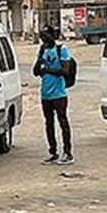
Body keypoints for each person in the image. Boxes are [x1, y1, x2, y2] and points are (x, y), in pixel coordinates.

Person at [33, 26, 73, 165]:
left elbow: (65, 70)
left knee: (63, 122)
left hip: (59, 93)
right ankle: (52, 151)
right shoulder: (42, 50)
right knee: (48, 123)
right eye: (41, 36)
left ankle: (68, 152)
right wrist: (39, 60)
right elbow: (35, 72)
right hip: (45, 93)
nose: (43, 39)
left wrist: (47, 69)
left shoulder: (61, 50)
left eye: (45, 36)